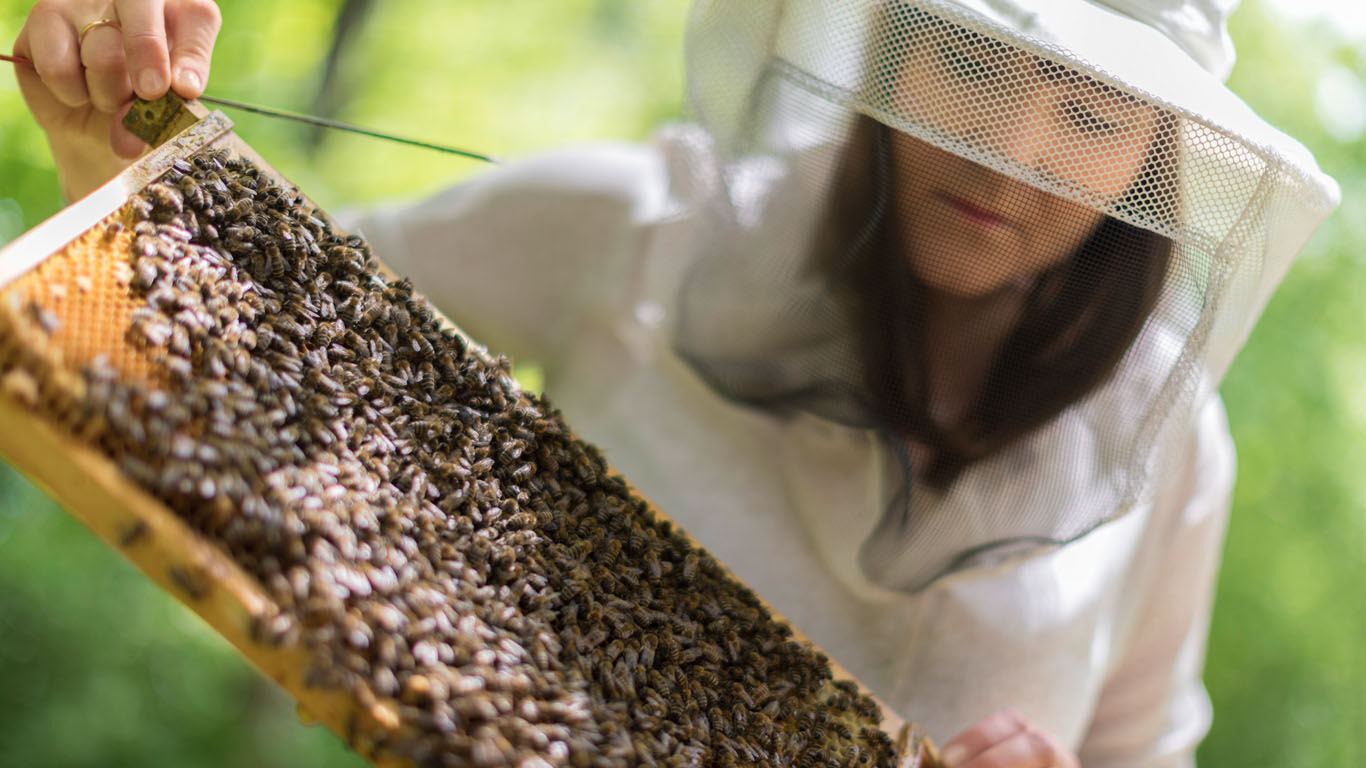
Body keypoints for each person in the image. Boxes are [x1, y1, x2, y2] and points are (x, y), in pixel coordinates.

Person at [12, 0, 1339, 766]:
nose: (1006, 157)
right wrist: (105, 128)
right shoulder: (632, 226)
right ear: (881, 45)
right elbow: (232, 332)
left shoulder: (1171, 447)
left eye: (1090, 114)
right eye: (975, 66)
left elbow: (1138, 753)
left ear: (1153, 163)